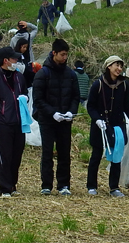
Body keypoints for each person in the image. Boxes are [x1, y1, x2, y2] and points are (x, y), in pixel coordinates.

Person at [86, 55, 129, 197]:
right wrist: (97, 119)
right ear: (109, 66)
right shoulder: (97, 85)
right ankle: (91, 185)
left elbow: (127, 106)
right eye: (116, 65)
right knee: (96, 155)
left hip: (118, 126)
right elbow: (90, 106)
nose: (119, 68)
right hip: (101, 126)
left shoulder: (123, 85)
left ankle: (114, 187)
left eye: (121, 66)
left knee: (117, 156)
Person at [32, 38, 80, 195]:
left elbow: (75, 97)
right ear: (54, 53)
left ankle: (63, 184)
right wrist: (52, 112)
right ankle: (46, 185)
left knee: (64, 153)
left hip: (65, 121)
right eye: (62, 54)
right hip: (47, 120)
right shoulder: (42, 74)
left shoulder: (71, 74)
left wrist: (70, 112)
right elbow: (38, 99)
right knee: (47, 153)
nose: (65, 58)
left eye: (66, 55)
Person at [0, 46, 28, 197]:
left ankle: (12, 184)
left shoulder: (18, 77)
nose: (17, 61)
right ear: (6, 60)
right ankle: (4, 187)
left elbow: (24, 92)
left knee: (17, 155)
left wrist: (24, 99)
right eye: (14, 59)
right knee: (4, 156)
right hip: (2, 123)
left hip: (18, 122)